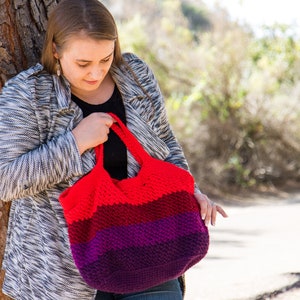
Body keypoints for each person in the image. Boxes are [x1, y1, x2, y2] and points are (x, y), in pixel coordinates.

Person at [0, 0, 228, 299]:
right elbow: (5, 181)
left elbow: (166, 145)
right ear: (56, 49)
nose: (96, 73)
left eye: (105, 59)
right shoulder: (26, 94)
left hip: (149, 249)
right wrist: (76, 142)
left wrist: (189, 191)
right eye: (83, 64)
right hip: (63, 272)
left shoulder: (135, 75)